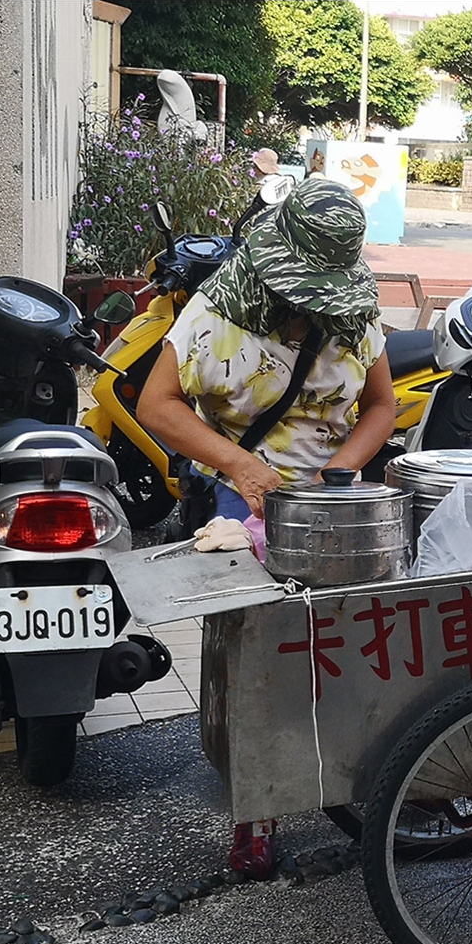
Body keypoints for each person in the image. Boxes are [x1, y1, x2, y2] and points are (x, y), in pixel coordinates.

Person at [137, 176, 395, 880]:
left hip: (333, 503)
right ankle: (258, 809)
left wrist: (341, 470)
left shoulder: (353, 315)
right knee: (261, 659)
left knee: (350, 643)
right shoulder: (217, 311)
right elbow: (155, 404)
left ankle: (374, 775)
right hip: (237, 498)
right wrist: (239, 466)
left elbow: (381, 405)